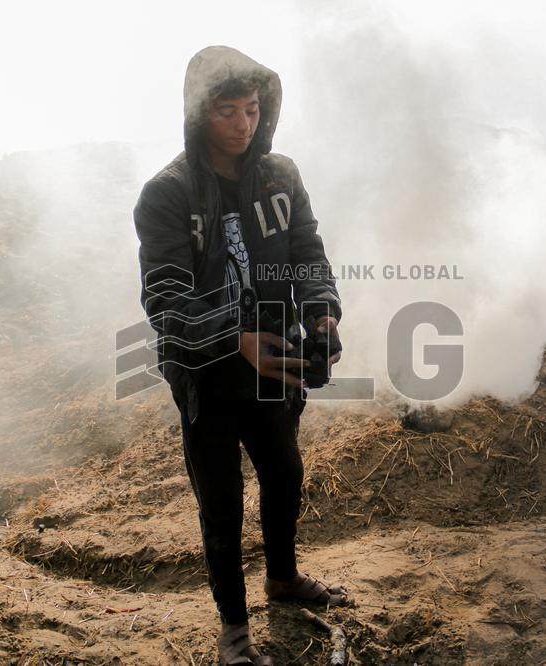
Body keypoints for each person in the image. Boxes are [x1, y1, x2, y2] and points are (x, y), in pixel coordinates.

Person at [133, 45, 347, 665]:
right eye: (227, 111)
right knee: (221, 501)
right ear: (200, 114)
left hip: (275, 359)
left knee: (284, 472)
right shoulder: (166, 194)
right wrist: (235, 337)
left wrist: (322, 313)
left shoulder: (281, 176)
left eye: (252, 109)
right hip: (207, 371)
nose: (243, 125)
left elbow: (308, 251)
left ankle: (282, 579)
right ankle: (233, 627)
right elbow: (165, 299)